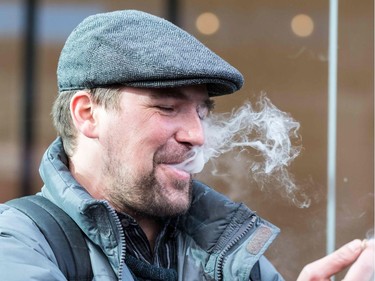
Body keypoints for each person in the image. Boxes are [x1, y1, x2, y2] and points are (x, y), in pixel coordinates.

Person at [0, 10, 373, 281]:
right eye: (167, 107)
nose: (197, 135)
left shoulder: (226, 251)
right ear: (88, 114)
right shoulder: (19, 245)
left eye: (201, 111)